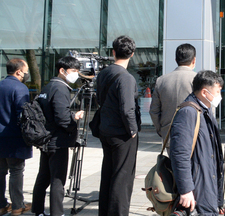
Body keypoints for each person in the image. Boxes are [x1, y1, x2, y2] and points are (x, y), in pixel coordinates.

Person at [32, 57, 85, 216]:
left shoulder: (48, 87)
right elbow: (62, 118)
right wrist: (73, 124)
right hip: (57, 141)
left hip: (45, 139)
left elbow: (51, 112)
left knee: (43, 177)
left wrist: (71, 116)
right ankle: (57, 213)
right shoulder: (61, 88)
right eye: (74, 71)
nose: (76, 75)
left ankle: (38, 211)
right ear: (62, 71)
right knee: (57, 180)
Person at [96, 35, 141, 216]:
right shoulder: (126, 78)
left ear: (113, 52)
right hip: (122, 134)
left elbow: (100, 99)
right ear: (132, 54)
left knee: (108, 174)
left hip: (105, 130)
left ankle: (105, 212)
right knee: (122, 177)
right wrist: (133, 130)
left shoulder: (103, 73)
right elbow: (127, 109)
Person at [170, 70, 225, 215]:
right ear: (205, 92)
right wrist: (186, 189)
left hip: (207, 185)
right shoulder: (188, 112)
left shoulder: (205, 111)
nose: (220, 96)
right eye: (218, 92)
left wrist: (219, 200)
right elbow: (180, 154)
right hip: (197, 188)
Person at [0, 59, 33, 215]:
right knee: (16, 171)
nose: (26, 74)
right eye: (25, 71)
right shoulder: (20, 88)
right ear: (19, 71)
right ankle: (17, 206)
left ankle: (1, 204)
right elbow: (23, 115)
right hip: (14, 138)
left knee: (1, 172)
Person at [150, 43, 197, 145]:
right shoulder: (198, 80)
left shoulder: (161, 80)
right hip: (193, 135)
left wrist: (161, 130)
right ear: (194, 60)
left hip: (168, 135)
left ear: (176, 60)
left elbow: (154, 111)